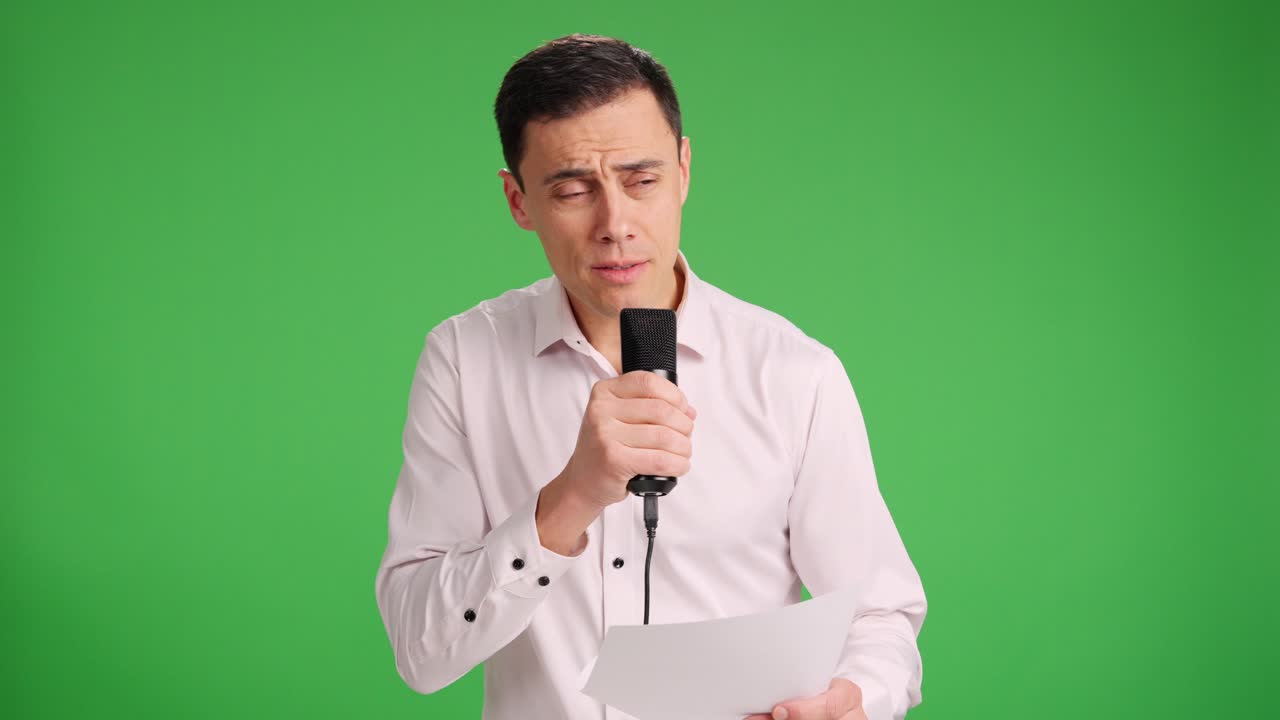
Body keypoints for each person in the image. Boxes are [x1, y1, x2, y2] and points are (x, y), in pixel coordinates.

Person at [374, 33, 928, 720]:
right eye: (574, 190)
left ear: (685, 168)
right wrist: (568, 500)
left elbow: (881, 616)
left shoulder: (792, 373)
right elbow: (420, 653)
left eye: (642, 181)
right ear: (519, 201)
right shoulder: (464, 359)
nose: (616, 224)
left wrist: (856, 698)